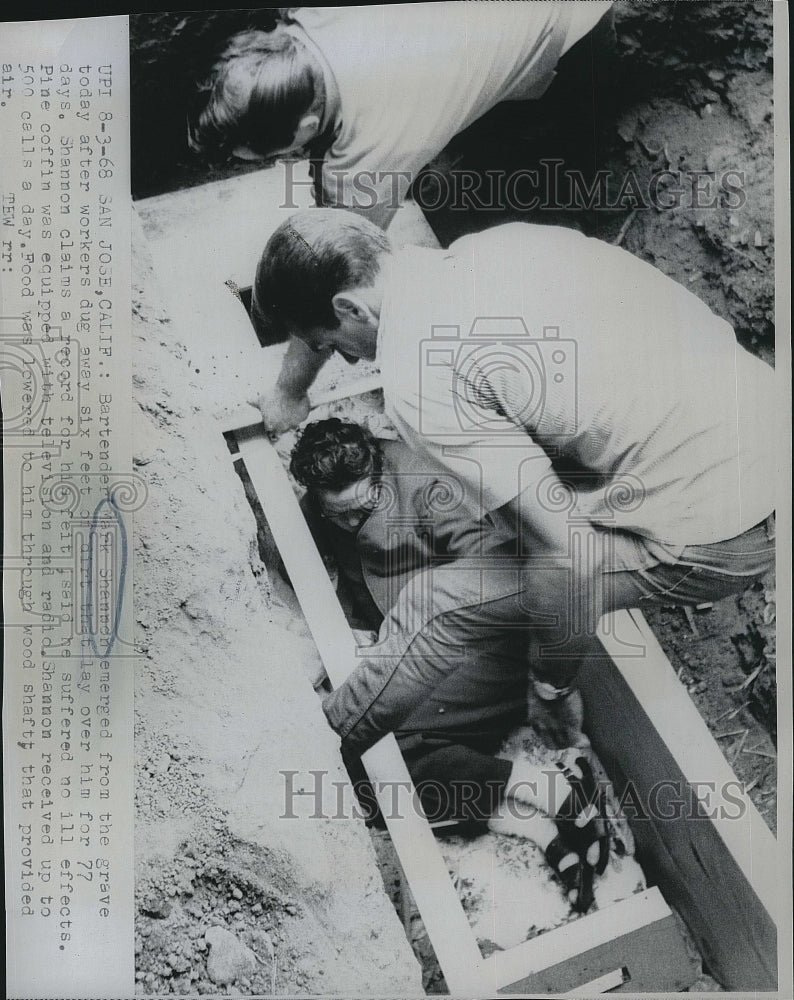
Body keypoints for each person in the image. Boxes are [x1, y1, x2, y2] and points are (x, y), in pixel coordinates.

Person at [256, 209, 777, 754]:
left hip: (724, 527)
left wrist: (551, 687)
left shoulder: (419, 379)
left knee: (436, 605)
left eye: (327, 342)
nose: (339, 355)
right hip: (764, 427)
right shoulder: (502, 246)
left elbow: (570, 556)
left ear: (350, 308)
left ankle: (316, 753)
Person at [189, 3, 613, 431]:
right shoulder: (311, 14)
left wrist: (288, 392)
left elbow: (330, 281)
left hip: (576, 32)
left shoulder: (366, 159)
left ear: (307, 124)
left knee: (497, 173)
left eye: (271, 152)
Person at [290, 416, 612, 913]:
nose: (352, 525)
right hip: (408, 648)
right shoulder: (327, 502)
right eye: (340, 517)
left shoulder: (427, 487)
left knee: (368, 749)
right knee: (367, 772)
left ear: (379, 470)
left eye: (364, 510)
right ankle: (537, 823)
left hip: (474, 646)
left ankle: (541, 789)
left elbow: (494, 580)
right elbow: (291, 548)